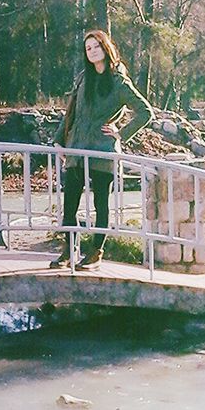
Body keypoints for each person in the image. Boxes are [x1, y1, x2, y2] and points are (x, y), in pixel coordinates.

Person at [50, 29, 154, 270]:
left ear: (105, 48)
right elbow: (71, 113)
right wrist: (59, 141)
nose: (92, 51)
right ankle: (68, 251)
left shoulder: (118, 81)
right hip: (76, 148)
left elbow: (145, 112)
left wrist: (121, 133)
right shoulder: (83, 78)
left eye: (96, 46)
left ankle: (96, 252)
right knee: (70, 203)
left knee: (101, 204)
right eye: (88, 48)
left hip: (102, 150)